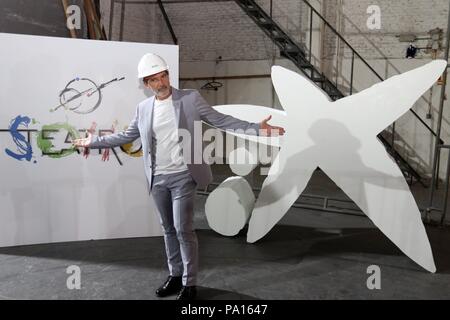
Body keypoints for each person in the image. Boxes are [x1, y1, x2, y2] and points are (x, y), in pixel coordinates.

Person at [72, 53, 285, 300]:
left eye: (164, 76)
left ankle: (190, 282)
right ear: (146, 84)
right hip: (158, 178)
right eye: (154, 80)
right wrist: (94, 141)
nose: (161, 83)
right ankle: (174, 276)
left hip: (184, 175)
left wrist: (257, 128)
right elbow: (126, 136)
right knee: (168, 230)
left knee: (184, 229)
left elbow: (220, 120)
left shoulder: (190, 98)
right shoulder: (143, 108)